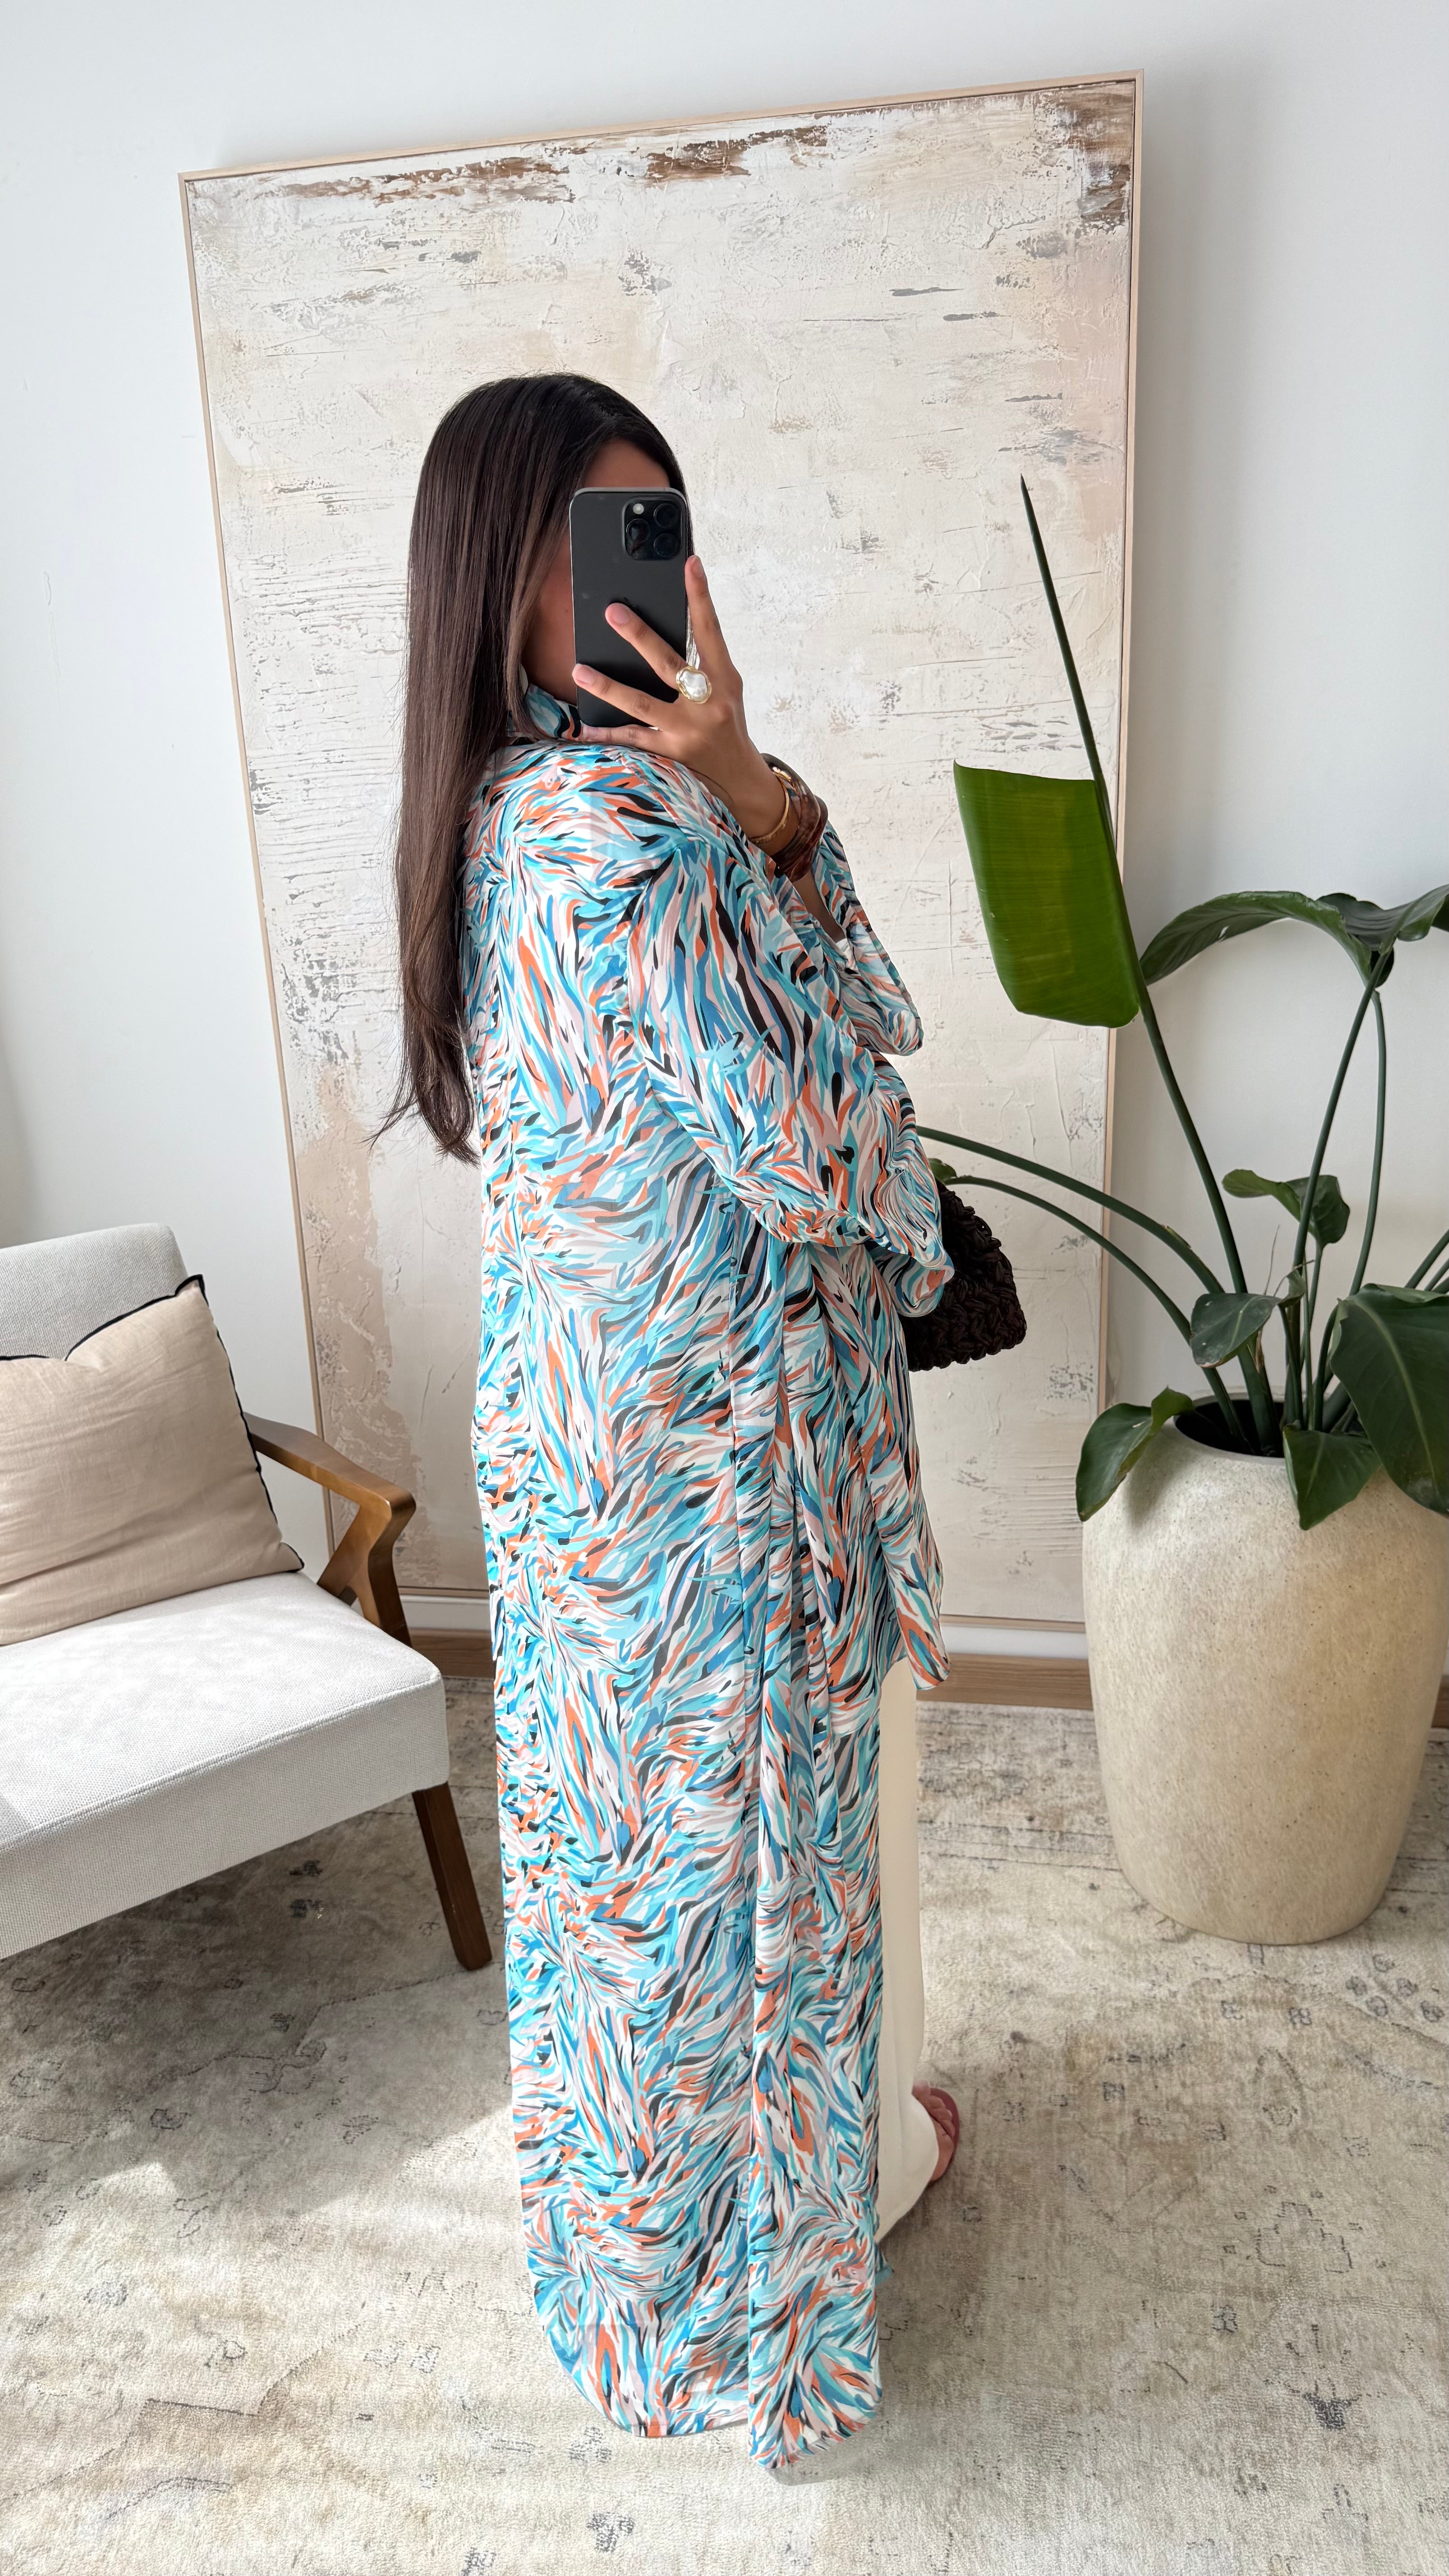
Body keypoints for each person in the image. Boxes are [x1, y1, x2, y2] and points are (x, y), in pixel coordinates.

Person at [388, 372, 960, 2470]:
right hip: (721, 1481)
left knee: (623, 1902)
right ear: (500, 578)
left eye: (659, 531)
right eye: (590, 546)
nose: (640, 585)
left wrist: (756, 784)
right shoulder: (626, 839)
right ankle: (767, 2315)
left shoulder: (501, 809)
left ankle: (629, 2284)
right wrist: (903, 1188)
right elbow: (843, 1136)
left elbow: (850, 1024)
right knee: (752, 1910)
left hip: (580, 1459)